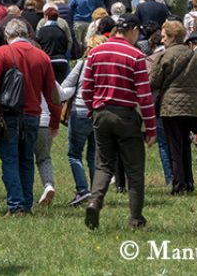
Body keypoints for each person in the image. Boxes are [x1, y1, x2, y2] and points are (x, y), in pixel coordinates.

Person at [81, 13, 157, 230]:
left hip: (101, 113)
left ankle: (95, 201)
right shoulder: (136, 55)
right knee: (134, 169)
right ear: (133, 30)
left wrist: (92, 110)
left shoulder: (96, 52)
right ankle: (135, 218)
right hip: (126, 115)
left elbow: (86, 88)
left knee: (104, 164)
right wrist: (151, 128)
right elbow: (144, 96)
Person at [0, 18, 61, 216]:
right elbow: (52, 94)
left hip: (9, 114)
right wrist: (54, 121)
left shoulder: (2, 52)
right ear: (27, 34)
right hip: (33, 115)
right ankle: (26, 205)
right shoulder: (42, 56)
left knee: (10, 160)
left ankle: (15, 205)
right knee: (27, 160)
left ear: (7, 35)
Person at [150, 20, 197, 195]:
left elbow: (153, 81)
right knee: (185, 144)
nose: (162, 40)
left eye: (164, 37)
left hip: (170, 106)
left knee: (174, 146)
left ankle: (179, 184)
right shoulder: (195, 56)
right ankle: (189, 181)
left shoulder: (164, 56)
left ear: (172, 37)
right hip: (192, 106)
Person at [58, 31, 103, 206]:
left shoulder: (83, 64)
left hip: (81, 111)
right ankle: (97, 192)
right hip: (100, 113)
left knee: (74, 154)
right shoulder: (107, 66)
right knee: (93, 156)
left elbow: (65, 87)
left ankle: (82, 189)